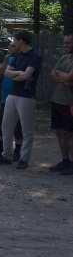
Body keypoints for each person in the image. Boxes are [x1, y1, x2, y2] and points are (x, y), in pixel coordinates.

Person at [0, 30, 42, 169]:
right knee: (6, 126)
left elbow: (26, 76)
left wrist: (17, 74)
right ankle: (7, 155)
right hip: (13, 94)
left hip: (26, 96)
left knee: (26, 130)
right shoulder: (16, 55)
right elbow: (7, 72)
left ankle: (24, 159)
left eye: (14, 40)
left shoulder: (35, 56)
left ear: (21, 41)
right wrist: (18, 73)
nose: (13, 43)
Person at [0, 41, 23, 160]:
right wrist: (6, 60)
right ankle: (2, 147)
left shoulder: (21, 60)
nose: (9, 48)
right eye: (9, 45)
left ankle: (18, 149)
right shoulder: (8, 58)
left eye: (12, 46)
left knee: (17, 125)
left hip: (17, 96)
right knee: (1, 122)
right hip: (5, 97)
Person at [48, 34, 73, 175]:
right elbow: (52, 74)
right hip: (57, 100)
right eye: (64, 43)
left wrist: (64, 77)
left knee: (69, 134)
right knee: (59, 132)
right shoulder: (64, 58)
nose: (66, 45)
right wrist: (65, 79)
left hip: (69, 102)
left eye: (68, 43)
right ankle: (65, 160)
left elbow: (70, 77)